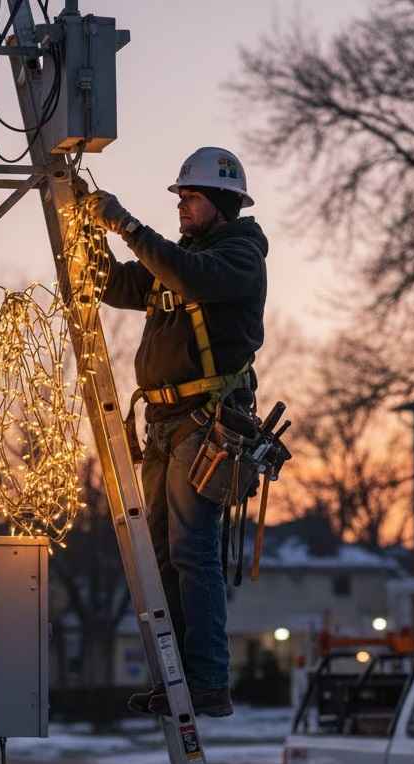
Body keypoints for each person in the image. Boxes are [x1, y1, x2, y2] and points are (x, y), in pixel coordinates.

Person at [87, 146, 268, 718]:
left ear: (219, 201)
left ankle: (208, 681)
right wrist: (87, 232)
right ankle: (177, 680)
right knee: (162, 555)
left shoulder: (238, 255)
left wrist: (125, 223)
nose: (182, 207)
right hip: (163, 425)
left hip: (206, 423)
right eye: (182, 198)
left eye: (190, 198)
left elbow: (192, 279)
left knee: (193, 552)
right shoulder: (179, 256)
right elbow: (117, 286)